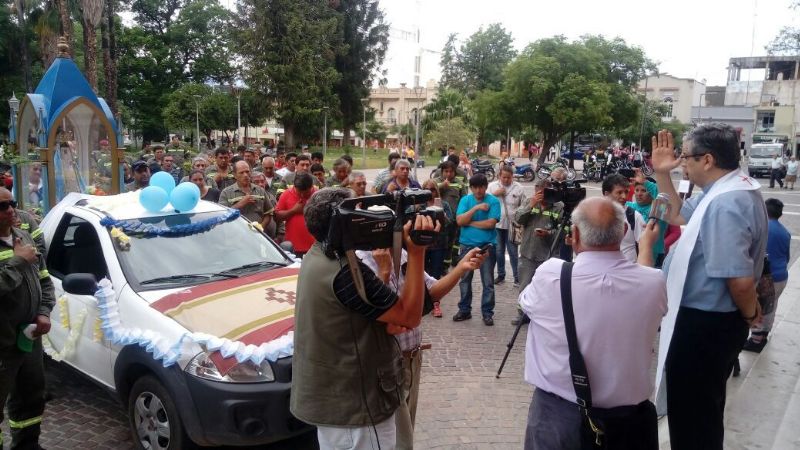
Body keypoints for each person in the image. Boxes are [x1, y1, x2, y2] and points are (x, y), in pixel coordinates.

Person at [291, 188, 477, 450]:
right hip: (358, 406)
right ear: (342, 222)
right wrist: (417, 252)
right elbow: (409, 318)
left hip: (337, 401)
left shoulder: (319, 255)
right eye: (360, 216)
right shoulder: (346, 272)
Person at [651, 125, 767, 450]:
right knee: (700, 410)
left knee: (693, 418)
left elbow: (740, 280)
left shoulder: (727, 203)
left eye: (685, 157)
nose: (681, 163)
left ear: (708, 159)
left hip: (707, 324)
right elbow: (672, 216)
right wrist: (662, 175)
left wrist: (750, 314)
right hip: (702, 320)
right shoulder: (721, 191)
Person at [520, 197, 665, 450]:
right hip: (630, 423)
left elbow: (526, 303)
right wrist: (646, 249)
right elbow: (642, 280)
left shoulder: (552, 274)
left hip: (560, 418)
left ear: (574, 235)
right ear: (623, 232)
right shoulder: (654, 282)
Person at [358, 242, 484, 448]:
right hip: (387, 363)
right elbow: (375, 317)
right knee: (397, 440)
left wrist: (461, 267)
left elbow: (431, 291)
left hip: (412, 357)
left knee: (407, 428)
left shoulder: (404, 254)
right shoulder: (360, 262)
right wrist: (384, 271)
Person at [0, 188, 56, 449]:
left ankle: (26, 445)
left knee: (31, 395)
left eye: (11, 203)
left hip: (29, 337)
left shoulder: (23, 237)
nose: (11, 210)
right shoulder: (18, 253)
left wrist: (44, 312)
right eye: (2, 206)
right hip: (3, 342)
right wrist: (17, 262)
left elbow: (44, 280)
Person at [510, 177, 565, 325]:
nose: (541, 196)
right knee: (524, 285)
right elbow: (517, 219)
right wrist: (531, 205)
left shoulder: (558, 206)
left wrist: (549, 233)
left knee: (547, 289)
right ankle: (522, 314)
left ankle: (543, 316)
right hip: (528, 252)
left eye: (544, 193)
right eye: (538, 192)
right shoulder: (530, 201)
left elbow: (564, 229)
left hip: (548, 255)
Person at [453, 173, 501, 326]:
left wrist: (470, 222)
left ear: (486, 187)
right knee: (465, 279)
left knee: (488, 281)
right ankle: (464, 309)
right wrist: (476, 208)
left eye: (481, 187)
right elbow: (460, 221)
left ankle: (487, 312)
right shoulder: (466, 200)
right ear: (471, 188)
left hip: (487, 245)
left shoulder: (493, 201)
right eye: (475, 187)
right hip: (467, 245)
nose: (478, 191)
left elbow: (491, 224)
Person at [743, 198, 790, 352]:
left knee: (759, 305)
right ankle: (764, 334)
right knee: (772, 304)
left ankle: (756, 340)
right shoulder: (785, 232)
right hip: (782, 275)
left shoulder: (763, 228)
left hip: (766, 276)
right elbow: (787, 256)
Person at [219, 161, 277, 239]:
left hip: (258, 236)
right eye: (241, 173)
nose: (245, 175)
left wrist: (260, 227)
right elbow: (222, 215)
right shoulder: (226, 192)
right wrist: (240, 204)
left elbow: (269, 213)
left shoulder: (260, 190)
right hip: (235, 236)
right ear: (235, 175)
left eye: (247, 172)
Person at [488, 165, 525, 286]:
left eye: (509, 178)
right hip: (497, 224)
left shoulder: (518, 188)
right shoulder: (492, 186)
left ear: (512, 177)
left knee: (513, 252)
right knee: (499, 251)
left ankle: (517, 277)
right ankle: (501, 275)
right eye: (504, 177)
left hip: (513, 224)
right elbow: (485, 201)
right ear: (499, 176)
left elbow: (523, 206)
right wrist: (495, 194)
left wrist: (521, 221)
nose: (506, 180)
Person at [602, 173, 646, 265]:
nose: (624, 197)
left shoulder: (634, 216)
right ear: (606, 194)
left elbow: (644, 247)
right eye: (619, 192)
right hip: (602, 270)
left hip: (627, 271)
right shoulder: (594, 216)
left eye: (626, 192)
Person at [625, 170, 667, 267]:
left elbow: (664, 197)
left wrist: (646, 183)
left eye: (644, 190)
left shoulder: (660, 209)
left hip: (654, 257)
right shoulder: (629, 206)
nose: (639, 194)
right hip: (634, 256)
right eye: (637, 190)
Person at [275, 173, 316, 257]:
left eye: (306, 193)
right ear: (294, 186)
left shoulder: (318, 195)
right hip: (293, 247)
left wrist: (307, 209)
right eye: (299, 192)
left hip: (315, 247)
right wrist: (293, 211)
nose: (302, 195)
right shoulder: (286, 194)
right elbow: (277, 217)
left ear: (311, 187)